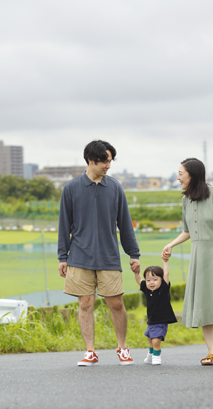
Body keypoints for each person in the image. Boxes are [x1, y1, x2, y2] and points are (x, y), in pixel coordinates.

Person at [58, 140, 141, 367]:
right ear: (90, 160)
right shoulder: (71, 189)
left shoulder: (115, 188)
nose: (108, 165)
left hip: (108, 256)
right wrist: (62, 257)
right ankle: (90, 351)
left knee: (116, 303)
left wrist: (133, 253)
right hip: (79, 256)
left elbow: (125, 224)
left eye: (110, 161)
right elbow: (64, 225)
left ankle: (122, 347)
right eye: (104, 161)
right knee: (85, 304)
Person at [161, 158, 213, 366]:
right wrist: (171, 244)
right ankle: (211, 352)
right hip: (200, 256)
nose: (178, 178)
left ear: (193, 175)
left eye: (181, 173)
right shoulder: (186, 200)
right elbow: (188, 231)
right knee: (204, 300)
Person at [133, 257, 177, 366]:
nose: (151, 282)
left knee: (156, 340)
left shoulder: (163, 288)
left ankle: (156, 356)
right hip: (151, 321)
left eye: (155, 279)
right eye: (148, 280)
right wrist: (136, 273)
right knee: (150, 338)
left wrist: (164, 262)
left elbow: (166, 274)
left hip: (161, 321)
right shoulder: (147, 289)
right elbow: (139, 280)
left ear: (161, 280)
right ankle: (150, 354)